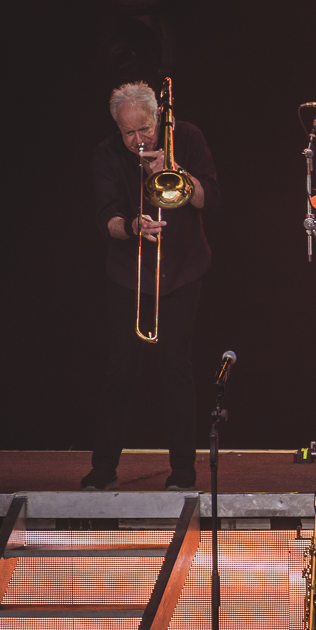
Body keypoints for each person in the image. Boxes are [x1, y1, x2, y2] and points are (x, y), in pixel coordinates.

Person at [82, 82, 218, 491]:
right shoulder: (108, 154)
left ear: (157, 117)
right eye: (128, 133)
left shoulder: (188, 137)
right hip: (129, 272)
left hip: (182, 269)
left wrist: (174, 175)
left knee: (177, 368)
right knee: (121, 370)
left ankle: (182, 474)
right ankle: (103, 470)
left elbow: (209, 197)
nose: (138, 140)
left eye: (143, 130)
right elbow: (106, 216)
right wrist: (132, 226)